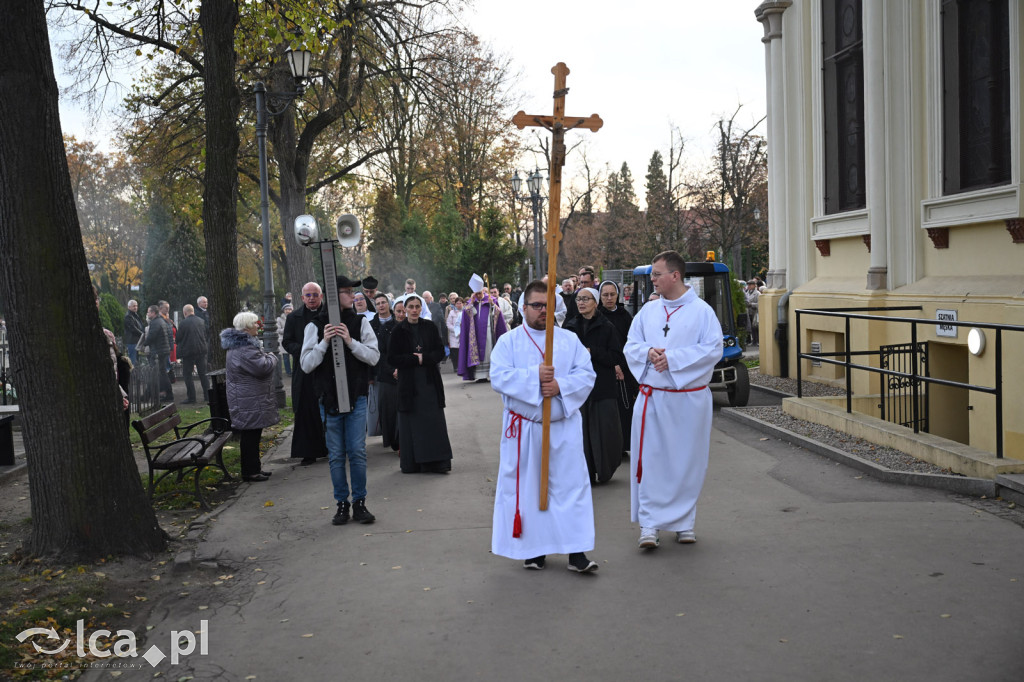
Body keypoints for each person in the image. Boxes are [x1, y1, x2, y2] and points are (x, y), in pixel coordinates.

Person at [489, 280, 599, 574]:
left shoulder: (568, 341)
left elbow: (587, 376)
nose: (542, 311)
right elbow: (499, 377)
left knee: (570, 489)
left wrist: (559, 386)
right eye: (536, 305)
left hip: (563, 427)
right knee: (529, 490)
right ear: (523, 308)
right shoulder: (508, 342)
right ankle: (534, 551)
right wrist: (534, 377)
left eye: (548, 306)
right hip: (524, 430)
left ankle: (576, 553)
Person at [624, 250, 723, 549]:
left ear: (675, 276)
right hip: (653, 400)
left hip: (688, 401)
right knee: (651, 462)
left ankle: (684, 523)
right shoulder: (648, 312)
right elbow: (631, 344)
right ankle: (649, 526)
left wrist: (674, 359)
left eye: (657, 274)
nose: (652, 279)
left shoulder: (702, 311)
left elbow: (713, 349)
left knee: (686, 462)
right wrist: (647, 353)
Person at [300, 275, 380, 526]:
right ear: (334, 297)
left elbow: (374, 357)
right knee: (336, 455)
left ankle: (359, 502)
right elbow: (306, 365)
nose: (353, 296)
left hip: (356, 398)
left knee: (357, 452)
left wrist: (349, 341)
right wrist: (324, 342)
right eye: (347, 292)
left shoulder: (360, 323)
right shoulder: (314, 325)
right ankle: (342, 504)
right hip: (329, 399)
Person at [564, 287, 624, 484]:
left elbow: (615, 356)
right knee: (581, 433)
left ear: (595, 302)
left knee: (604, 433)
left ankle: (604, 470)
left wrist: (593, 352)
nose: (581, 303)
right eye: (578, 299)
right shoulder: (570, 326)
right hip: (579, 388)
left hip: (602, 387)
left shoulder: (607, 327)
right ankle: (585, 472)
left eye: (586, 299)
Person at [388, 294, 453, 474]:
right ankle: (414, 463)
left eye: (417, 306)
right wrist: (412, 359)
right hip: (409, 384)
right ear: (405, 309)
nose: (414, 310)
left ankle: (438, 462)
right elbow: (392, 357)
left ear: (421, 308)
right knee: (413, 424)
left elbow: (440, 351)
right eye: (411, 307)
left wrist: (425, 358)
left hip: (429, 381)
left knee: (434, 422)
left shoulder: (430, 327)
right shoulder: (398, 331)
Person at [220, 311, 280, 482]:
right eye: (255, 323)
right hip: (248, 399)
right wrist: (272, 356)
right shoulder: (244, 349)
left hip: (248, 398)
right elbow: (263, 367)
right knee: (250, 436)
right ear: (246, 327)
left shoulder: (241, 346)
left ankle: (255, 468)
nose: (258, 325)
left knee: (253, 435)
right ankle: (250, 472)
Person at [282, 282, 329, 465]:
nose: (311, 298)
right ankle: (308, 451)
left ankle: (331, 447)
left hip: (326, 368)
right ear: (302, 298)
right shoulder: (294, 317)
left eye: (315, 295)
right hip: (304, 369)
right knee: (306, 410)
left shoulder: (328, 315)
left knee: (329, 408)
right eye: (308, 295)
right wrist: (305, 351)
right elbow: (287, 342)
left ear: (321, 296)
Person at [598, 280, 637, 454]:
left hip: (625, 368)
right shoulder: (597, 315)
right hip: (604, 369)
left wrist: (622, 365)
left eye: (612, 294)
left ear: (617, 295)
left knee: (625, 407)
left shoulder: (625, 316)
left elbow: (631, 342)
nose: (609, 298)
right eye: (605, 295)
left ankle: (624, 445)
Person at [457, 274, 508, 382]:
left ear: (483, 292)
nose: (479, 296)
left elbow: (498, 314)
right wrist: (471, 303)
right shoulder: (471, 302)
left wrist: (493, 306)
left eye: (480, 293)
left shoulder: (491, 300)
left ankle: (490, 373)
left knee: (489, 351)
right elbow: (466, 314)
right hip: (475, 333)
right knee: (478, 353)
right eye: (476, 294)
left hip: (489, 331)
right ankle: (480, 375)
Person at [370, 293, 399, 450]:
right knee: (386, 407)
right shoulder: (371, 324)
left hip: (398, 368)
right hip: (381, 370)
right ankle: (390, 439)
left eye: (383, 302)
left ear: (389, 304)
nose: (381, 305)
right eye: (378, 303)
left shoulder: (397, 322)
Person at [177, 304, 210, 405]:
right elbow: (206, 334)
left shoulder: (183, 323)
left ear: (185, 313)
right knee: (203, 374)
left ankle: (192, 397)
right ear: (193, 311)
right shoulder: (201, 321)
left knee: (187, 375)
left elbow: (178, 338)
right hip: (201, 350)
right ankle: (207, 396)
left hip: (188, 352)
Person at [144, 304, 174, 402]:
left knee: (158, 373)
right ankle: (147, 395)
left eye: (148, 312)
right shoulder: (161, 320)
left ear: (153, 313)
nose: (147, 313)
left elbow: (152, 336)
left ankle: (167, 394)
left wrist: (144, 343)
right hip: (162, 350)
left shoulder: (155, 322)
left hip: (158, 351)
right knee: (160, 373)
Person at [123, 300, 145, 364]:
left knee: (136, 361)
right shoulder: (128, 316)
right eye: (134, 306)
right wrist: (142, 334)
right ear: (129, 307)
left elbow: (140, 326)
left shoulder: (135, 315)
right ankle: (133, 374)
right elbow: (133, 329)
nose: (135, 307)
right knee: (133, 361)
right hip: (132, 342)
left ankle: (136, 373)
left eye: (136, 306)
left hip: (136, 341)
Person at [446, 295, 463, 372]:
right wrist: (456, 330)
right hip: (454, 335)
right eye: (457, 303)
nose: (459, 305)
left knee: (461, 351)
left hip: (463, 334)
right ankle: (455, 366)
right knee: (454, 351)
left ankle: (461, 365)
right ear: (455, 304)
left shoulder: (465, 312)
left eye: (460, 303)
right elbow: (448, 323)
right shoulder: (452, 312)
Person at [276, 304, 293, 376]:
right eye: (286, 309)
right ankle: (288, 372)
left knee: (295, 356)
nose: (288, 311)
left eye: (289, 309)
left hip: (293, 340)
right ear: (284, 310)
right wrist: (287, 328)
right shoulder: (279, 319)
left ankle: (295, 371)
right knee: (286, 357)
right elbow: (278, 330)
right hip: (283, 340)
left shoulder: (294, 317)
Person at [745, 279, 760, 346]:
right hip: (749, 312)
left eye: (750, 284)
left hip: (755, 312)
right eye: (748, 284)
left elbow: (759, 304)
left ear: (754, 285)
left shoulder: (758, 293)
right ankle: (753, 340)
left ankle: (757, 340)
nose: (749, 286)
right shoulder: (747, 292)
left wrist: (751, 304)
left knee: (755, 327)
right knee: (751, 327)